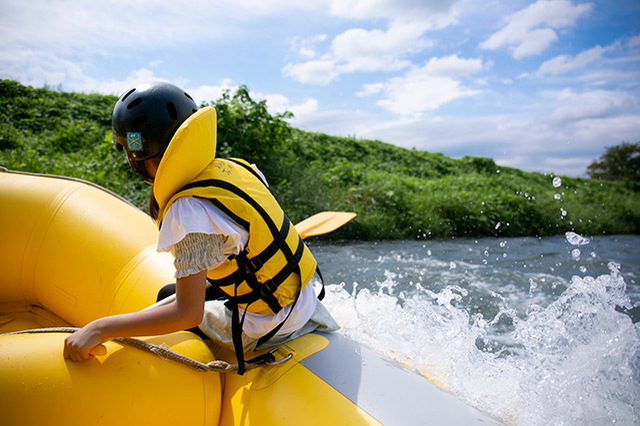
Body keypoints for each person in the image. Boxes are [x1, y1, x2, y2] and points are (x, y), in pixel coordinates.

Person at [63, 82, 338, 373]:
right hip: (300, 296)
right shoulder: (235, 168)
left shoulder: (188, 211)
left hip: (274, 324)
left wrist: (100, 328)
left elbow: (188, 314)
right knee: (172, 290)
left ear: (137, 153)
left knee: (165, 301)